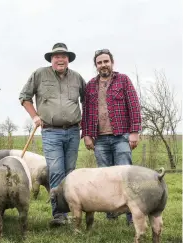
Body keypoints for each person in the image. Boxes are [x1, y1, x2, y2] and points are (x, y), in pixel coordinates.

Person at [19, 43, 86, 227]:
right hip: (51, 131)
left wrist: (86, 126)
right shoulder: (40, 74)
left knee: (70, 172)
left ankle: (73, 209)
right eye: (56, 56)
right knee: (56, 171)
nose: (60, 59)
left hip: (73, 131)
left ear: (68, 59)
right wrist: (34, 116)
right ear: (51, 59)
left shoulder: (77, 78)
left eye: (64, 56)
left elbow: (87, 101)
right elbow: (24, 97)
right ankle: (59, 215)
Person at [81, 49, 141, 225]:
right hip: (100, 139)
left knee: (125, 176)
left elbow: (134, 106)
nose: (103, 65)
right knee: (105, 179)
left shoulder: (123, 80)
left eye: (106, 61)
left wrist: (134, 131)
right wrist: (86, 135)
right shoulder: (91, 85)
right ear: (96, 65)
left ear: (112, 62)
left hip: (121, 136)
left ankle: (132, 215)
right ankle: (111, 214)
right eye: (99, 63)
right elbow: (86, 112)